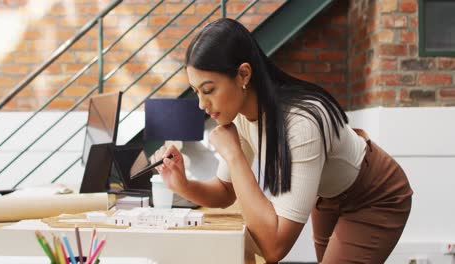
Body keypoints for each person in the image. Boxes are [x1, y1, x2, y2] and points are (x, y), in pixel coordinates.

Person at [151, 18, 413, 263]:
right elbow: (224, 191)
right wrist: (181, 183)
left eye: (209, 90)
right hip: (328, 197)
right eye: (197, 92)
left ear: (243, 75)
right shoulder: (241, 114)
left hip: (375, 197)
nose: (201, 104)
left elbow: (273, 248)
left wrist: (233, 154)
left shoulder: (300, 124)